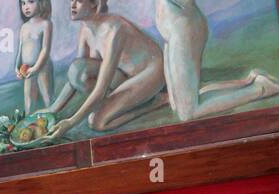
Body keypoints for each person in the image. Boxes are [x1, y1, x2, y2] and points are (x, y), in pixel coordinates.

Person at [41, 0, 168, 139]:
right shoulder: (85, 29)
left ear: (94, 4)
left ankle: (156, 102)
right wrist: (52, 109)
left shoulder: (115, 30)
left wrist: (70, 122)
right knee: (77, 70)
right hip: (125, 75)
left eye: (79, 1)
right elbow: (74, 76)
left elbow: (101, 89)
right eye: (71, 0)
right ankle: (120, 101)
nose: (72, 5)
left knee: (96, 121)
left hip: (151, 74)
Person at [16, 0, 56, 114]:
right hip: (27, 68)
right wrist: (17, 67)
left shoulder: (46, 24)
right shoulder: (24, 27)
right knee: (28, 99)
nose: (26, 7)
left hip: (43, 66)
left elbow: (45, 49)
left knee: (47, 96)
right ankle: (30, 124)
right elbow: (20, 50)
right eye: (23, 3)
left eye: (31, 2)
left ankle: (53, 122)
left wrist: (36, 67)